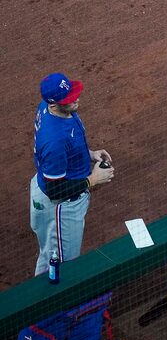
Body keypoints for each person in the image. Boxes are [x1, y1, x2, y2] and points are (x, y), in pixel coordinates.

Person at [31, 73, 114, 276]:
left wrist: (90, 154)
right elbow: (55, 190)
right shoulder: (54, 141)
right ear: (53, 104)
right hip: (61, 205)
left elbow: (69, 147)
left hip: (57, 186)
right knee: (62, 264)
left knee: (51, 255)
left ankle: (47, 300)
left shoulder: (55, 110)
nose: (75, 99)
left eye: (73, 94)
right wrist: (92, 180)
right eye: (68, 99)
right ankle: (56, 306)